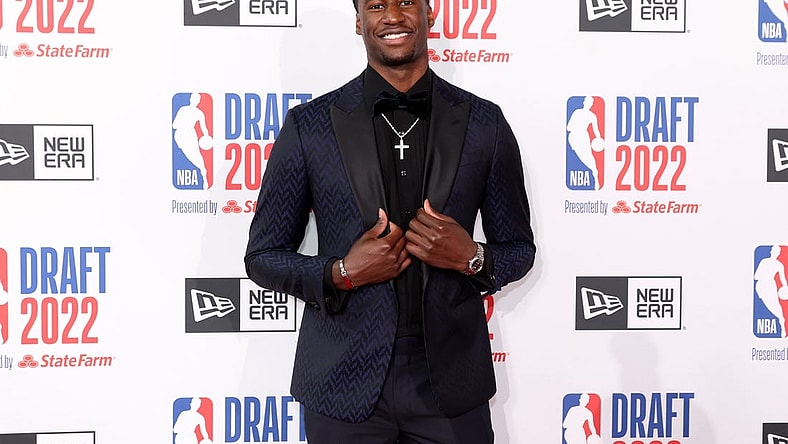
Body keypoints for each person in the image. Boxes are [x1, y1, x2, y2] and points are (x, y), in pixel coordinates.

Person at [244, 0, 536, 442]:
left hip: (450, 384)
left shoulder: (483, 124)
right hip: (341, 383)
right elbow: (262, 258)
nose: (393, 16)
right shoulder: (310, 126)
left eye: (406, 3)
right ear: (360, 20)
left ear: (430, 13)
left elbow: (518, 249)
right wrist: (340, 273)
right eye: (377, 5)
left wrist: (471, 257)